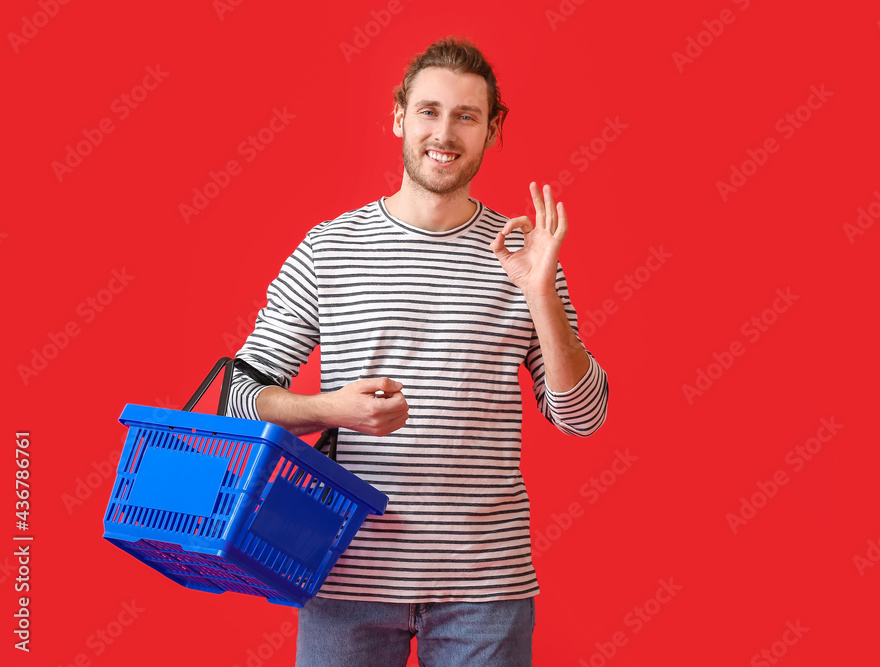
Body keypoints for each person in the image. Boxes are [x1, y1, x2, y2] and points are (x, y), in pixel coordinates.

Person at [228, 36, 609, 667]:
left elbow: (581, 416)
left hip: (485, 588)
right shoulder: (331, 248)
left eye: (467, 116)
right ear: (400, 117)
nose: (446, 133)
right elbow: (238, 397)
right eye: (430, 111)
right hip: (342, 571)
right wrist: (330, 408)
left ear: (493, 131)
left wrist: (541, 292)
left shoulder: (525, 258)